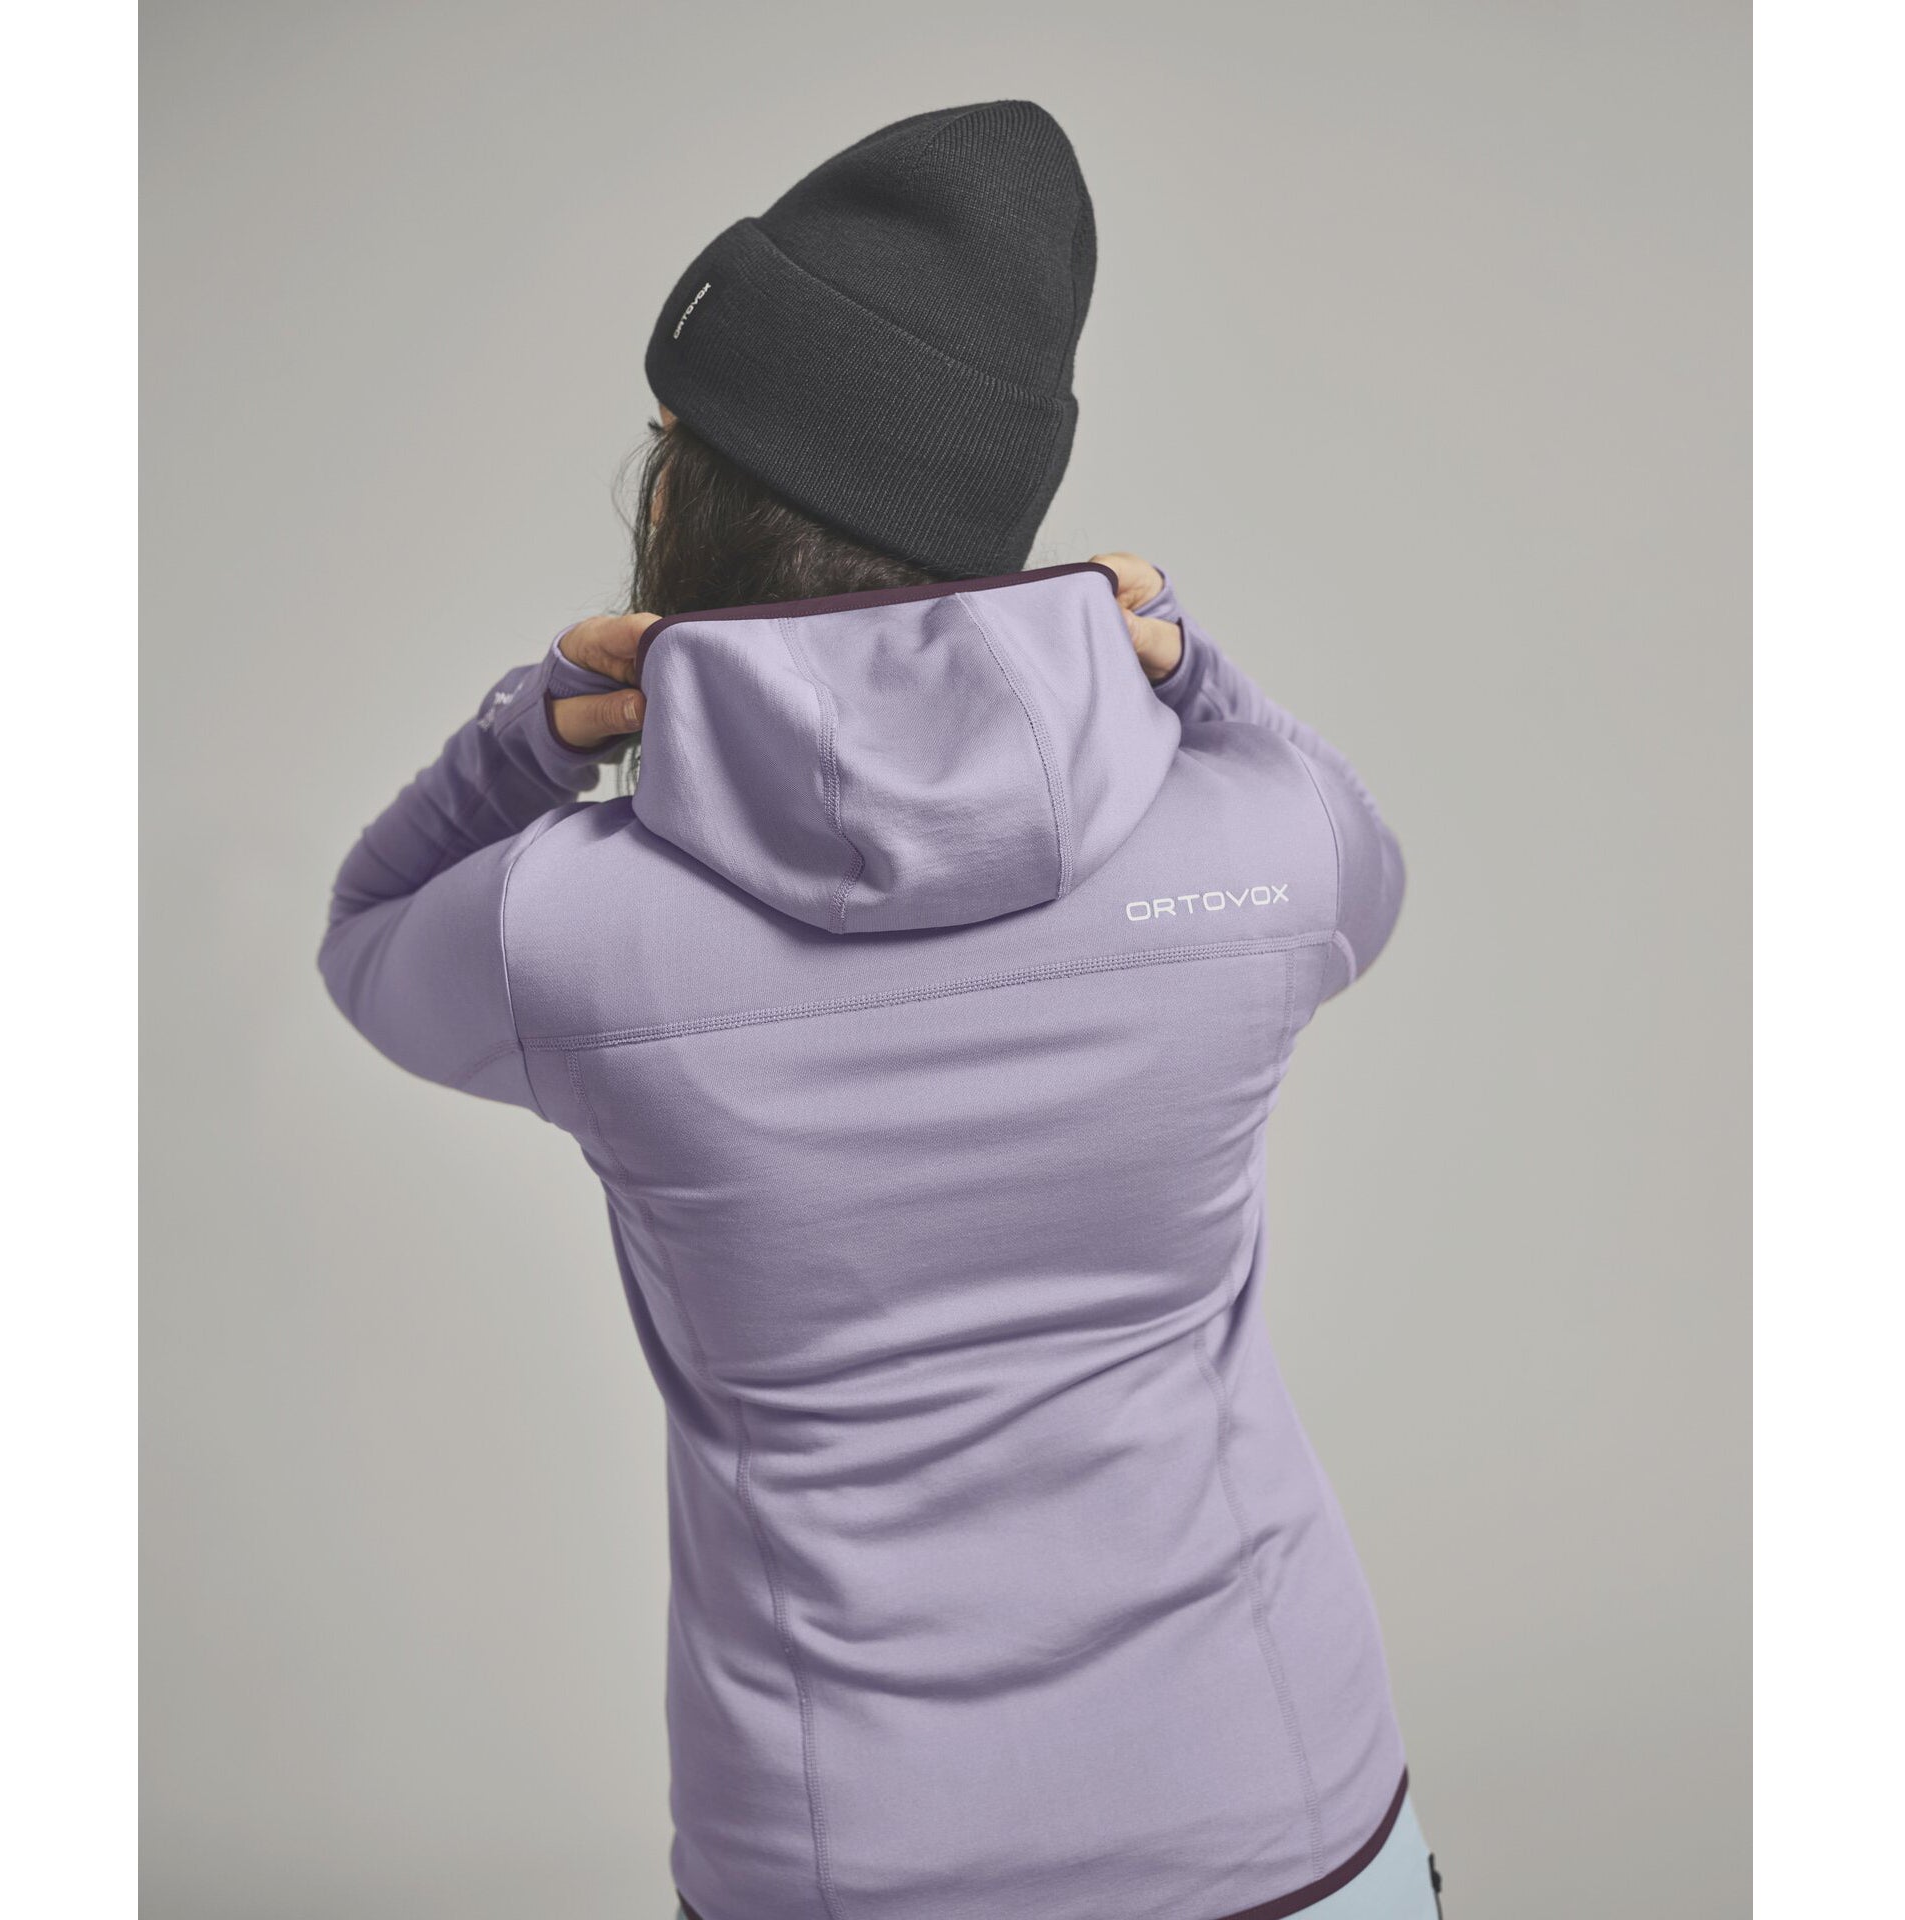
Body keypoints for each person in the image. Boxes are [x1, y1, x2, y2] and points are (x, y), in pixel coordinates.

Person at [320, 100, 1439, 1920]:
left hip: (848, 1855)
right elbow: (1362, 850)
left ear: (687, 498)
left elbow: (364, 937)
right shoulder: (1258, 853)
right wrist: (1191, 669)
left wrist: (529, 737)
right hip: (1286, 1801)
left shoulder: (570, 932)